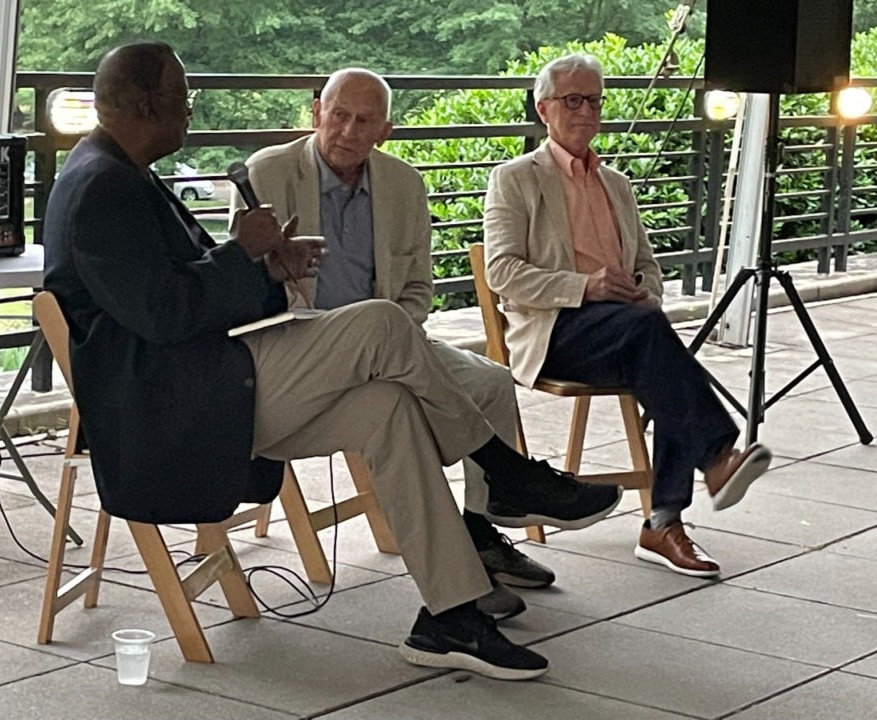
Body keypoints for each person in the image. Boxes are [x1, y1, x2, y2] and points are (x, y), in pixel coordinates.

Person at [42, 41, 620, 680]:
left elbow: (181, 295)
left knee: (389, 408)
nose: (188, 111)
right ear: (151, 104)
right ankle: (507, 471)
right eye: (184, 98)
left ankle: (449, 615)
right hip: (179, 403)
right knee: (381, 323)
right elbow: (167, 313)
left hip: (208, 378)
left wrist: (268, 267)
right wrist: (244, 252)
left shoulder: (120, 174)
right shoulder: (102, 186)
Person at [237, 68, 559, 621]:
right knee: (389, 356)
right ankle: (512, 476)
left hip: (389, 339)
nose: (346, 130)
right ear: (316, 112)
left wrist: (396, 337)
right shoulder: (268, 172)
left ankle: (480, 530)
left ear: (384, 131)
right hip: (302, 348)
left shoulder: (403, 184)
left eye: (364, 121)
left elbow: (417, 289)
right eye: (337, 115)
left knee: (491, 380)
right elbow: (245, 283)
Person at [482, 53, 774, 578]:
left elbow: (648, 267)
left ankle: (665, 520)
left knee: (655, 351)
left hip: (625, 330)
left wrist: (644, 294)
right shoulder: (516, 179)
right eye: (573, 100)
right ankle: (709, 464)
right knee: (656, 345)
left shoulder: (616, 183)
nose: (587, 112)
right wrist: (585, 287)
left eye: (594, 100)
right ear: (543, 108)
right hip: (556, 330)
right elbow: (502, 272)